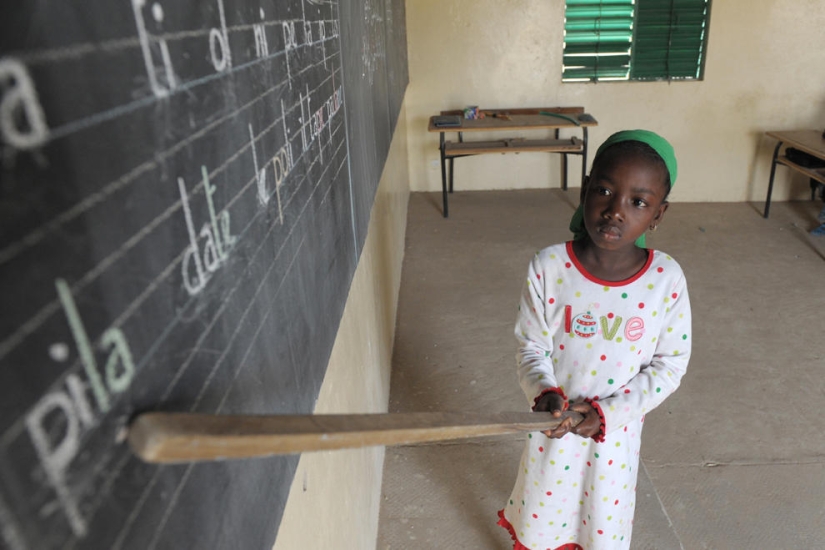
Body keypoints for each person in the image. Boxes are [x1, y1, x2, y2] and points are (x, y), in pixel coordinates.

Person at [497, 130, 692, 550]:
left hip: (615, 438)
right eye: (604, 190)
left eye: (638, 202)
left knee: (602, 516)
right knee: (544, 511)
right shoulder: (549, 267)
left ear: (658, 214)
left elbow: (670, 364)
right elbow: (531, 347)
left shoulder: (665, 280)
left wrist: (607, 415)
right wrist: (544, 393)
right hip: (554, 428)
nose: (615, 211)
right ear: (584, 190)